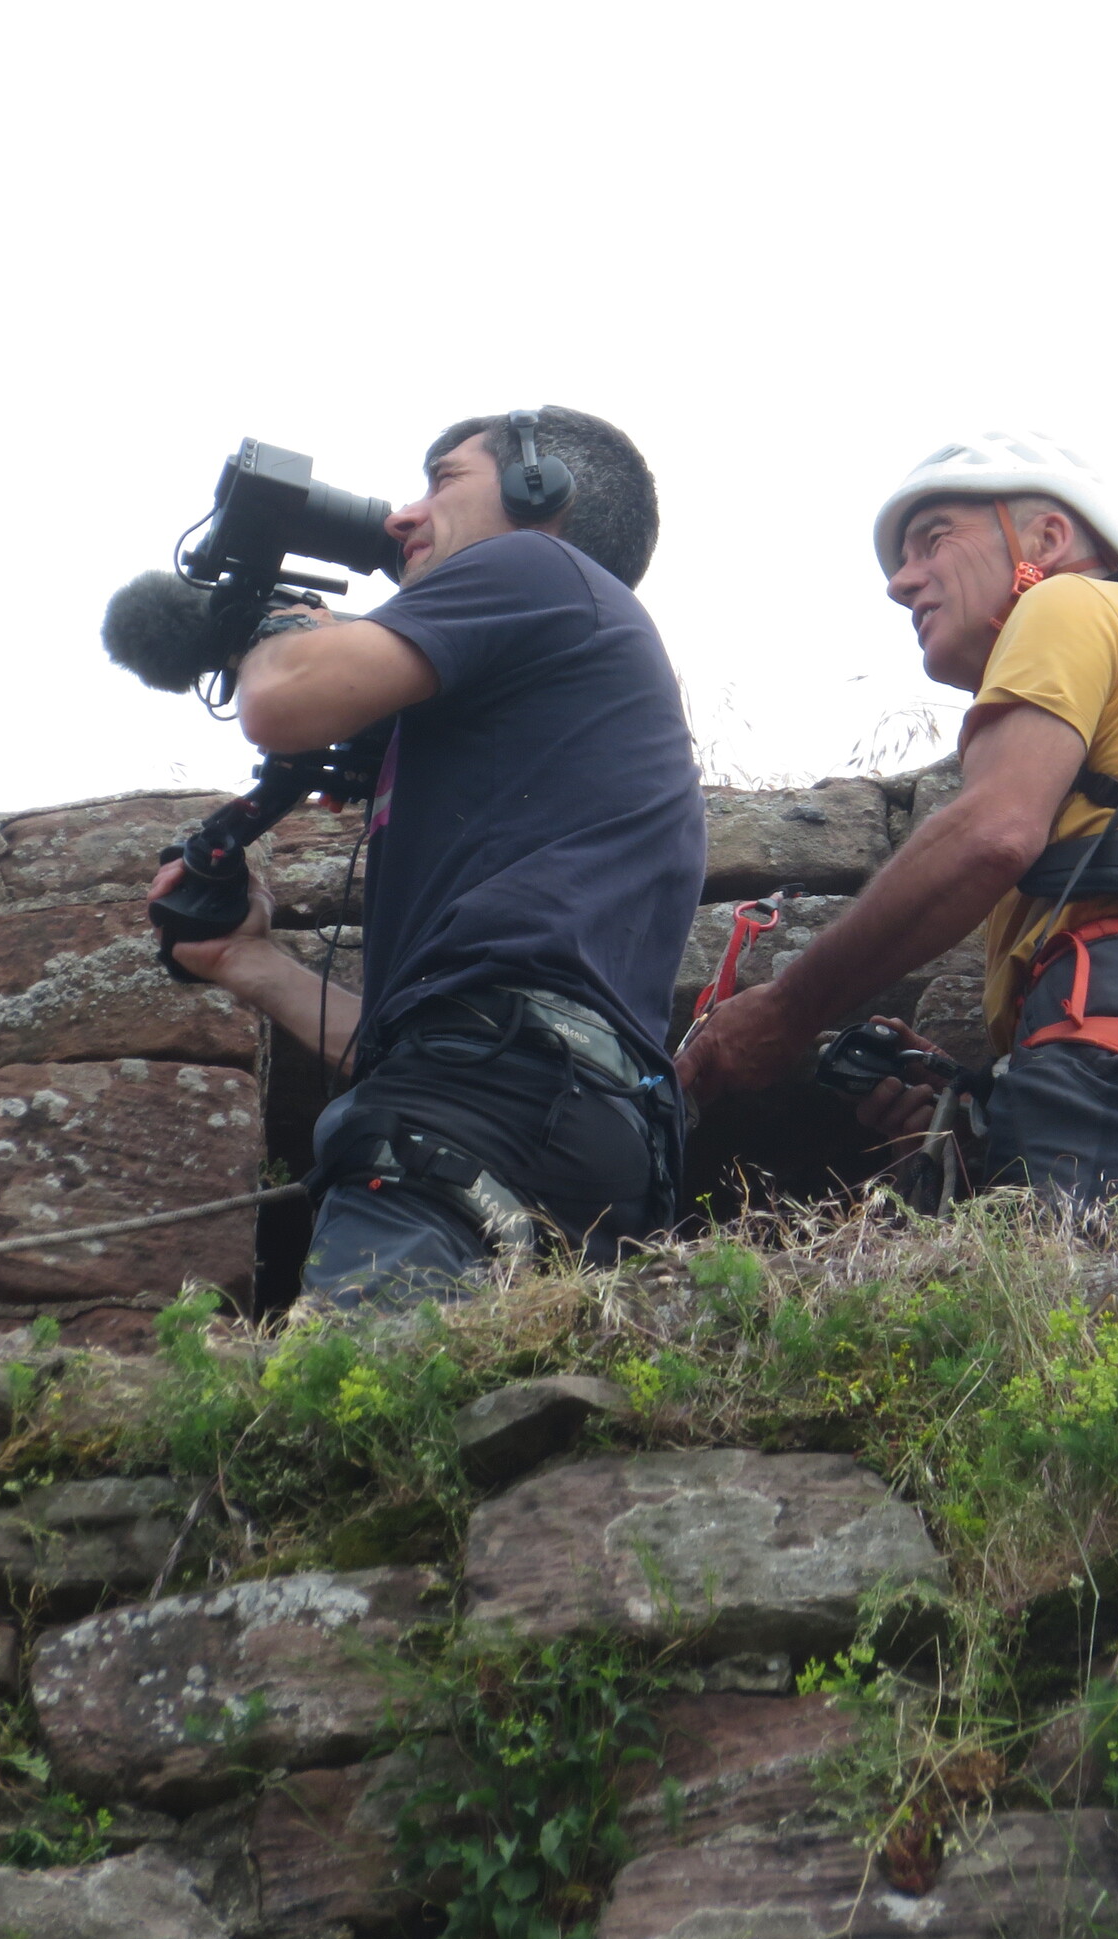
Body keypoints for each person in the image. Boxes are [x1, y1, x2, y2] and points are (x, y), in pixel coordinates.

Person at [153, 407, 705, 1307]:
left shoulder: (536, 563)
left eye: (444, 481)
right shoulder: (559, 709)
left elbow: (281, 700)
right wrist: (245, 963)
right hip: (572, 1130)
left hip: (479, 1115)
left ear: (540, 488)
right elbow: (426, 1045)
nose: (402, 517)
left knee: (355, 1388)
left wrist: (279, 625)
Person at [677, 432, 1118, 1200]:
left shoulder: (1067, 601)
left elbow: (992, 835)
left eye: (933, 539)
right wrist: (978, 1096)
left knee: (1080, 1278)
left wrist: (786, 1009)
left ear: (1048, 538)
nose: (900, 584)